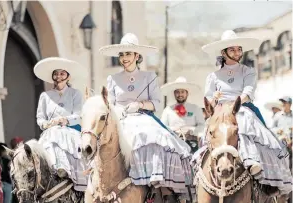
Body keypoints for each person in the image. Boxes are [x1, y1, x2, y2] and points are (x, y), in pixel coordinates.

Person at [99, 33, 193, 201]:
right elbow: (110, 105)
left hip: (143, 116)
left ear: (137, 56)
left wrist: (140, 105)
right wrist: (119, 110)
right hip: (121, 119)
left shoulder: (150, 77)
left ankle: (158, 185)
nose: (124, 58)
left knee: (156, 136)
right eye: (121, 54)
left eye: (128, 54)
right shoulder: (113, 78)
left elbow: (156, 103)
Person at [202, 30, 292, 195]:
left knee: (243, 124)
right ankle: (200, 172)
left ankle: (253, 163)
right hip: (220, 111)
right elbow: (208, 99)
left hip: (241, 108)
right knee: (208, 136)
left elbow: (248, 93)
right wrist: (214, 98)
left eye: (239, 49)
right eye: (232, 49)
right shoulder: (213, 76)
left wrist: (233, 105)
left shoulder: (247, 71)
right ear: (224, 52)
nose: (237, 53)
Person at [34, 57, 88, 191]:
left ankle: (68, 171)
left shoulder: (75, 94)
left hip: (70, 130)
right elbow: (40, 118)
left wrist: (64, 120)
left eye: (62, 73)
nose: (58, 76)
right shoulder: (45, 96)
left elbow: (79, 114)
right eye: (56, 73)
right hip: (50, 131)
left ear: (68, 76)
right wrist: (46, 124)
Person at [161, 77, 205, 153]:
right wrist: (174, 131)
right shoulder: (167, 110)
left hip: (192, 145)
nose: (180, 94)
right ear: (174, 93)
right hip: (173, 146)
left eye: (182, 92)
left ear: (187, 93)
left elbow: (202, 126)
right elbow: (162, 128)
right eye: (177, 92)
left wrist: (191, 131)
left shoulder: (195, 108)